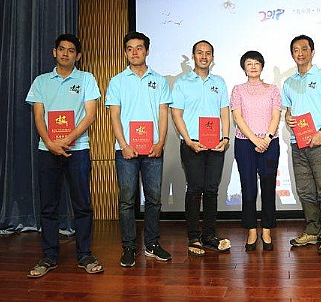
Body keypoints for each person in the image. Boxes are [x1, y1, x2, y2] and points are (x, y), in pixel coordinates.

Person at [25, 33, 103, 278]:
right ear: (54, 52)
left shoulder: (87, 79)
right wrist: (50, 142)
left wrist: (67, 139)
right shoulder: (41, 81)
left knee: (82, 205)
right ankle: (49, 256)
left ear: (78, 56)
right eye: (61, 49)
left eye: (71, 50)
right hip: (47, 150)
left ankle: (85, 255)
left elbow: (90, 115)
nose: (65, 53)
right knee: (49, 206)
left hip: (77, 150)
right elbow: (38, 116)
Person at [105, 31, 172, 267]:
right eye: (130, 48)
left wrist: (160, 142)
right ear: (125, 52)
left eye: (139, 47)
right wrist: (123, 145)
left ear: (147, 51)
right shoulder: (117, 81)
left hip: (153, 150)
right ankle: (129, 247)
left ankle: (152, 244)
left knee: (154, 199)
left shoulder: (160, 80)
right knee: (126, 201)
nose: (135, 52)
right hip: (126, 151)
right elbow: (114, 116)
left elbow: (163, 113)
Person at [170, 40, 231, 256]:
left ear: (212, 58)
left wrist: (225, 137)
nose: (204, 56)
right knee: (195, 189)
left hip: (215, 144)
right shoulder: (182, 82)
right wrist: (187, 140)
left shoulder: (219, 82)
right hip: (192, 143)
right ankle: (194, 237)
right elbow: (176, 114)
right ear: (193, 56)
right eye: (199, 52)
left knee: (212, 190)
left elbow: (224, 112)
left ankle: (210, 236)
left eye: (208, 53)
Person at [282, 35, 321, 255]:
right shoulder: (288, 82)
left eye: (304, 49)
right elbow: (288, 111)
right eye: (296, 50)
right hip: (298, 142)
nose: (300, 53)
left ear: (312, 52)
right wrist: (288, 118)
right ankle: (313, 230)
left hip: (319, 140)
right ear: (292, 54)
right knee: (305, 190)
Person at [230, 51, 281, 251]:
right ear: (244, 68)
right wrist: (254, 139)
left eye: (256, 63)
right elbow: (238, 117)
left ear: (262, 66)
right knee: (248, 187)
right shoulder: (238, 90)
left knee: (268, 187)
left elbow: (276, 116)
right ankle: (251, 230)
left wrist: (266, 139)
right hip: (245, 144)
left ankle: (266, 230)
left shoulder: (272, 89)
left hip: (270, 143)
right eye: (249, 63)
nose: (253, 66)